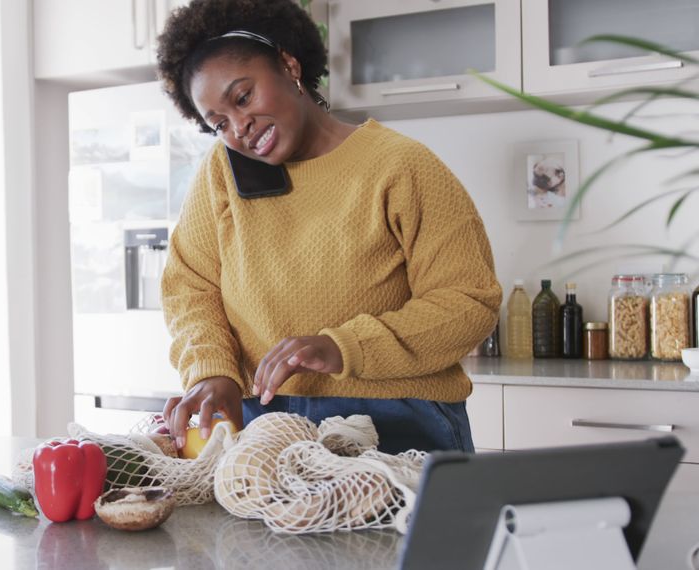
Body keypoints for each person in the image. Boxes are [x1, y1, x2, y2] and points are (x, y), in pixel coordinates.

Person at [155, 0, 502, 455]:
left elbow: (469, 301)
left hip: (399, 417)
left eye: (243, 97)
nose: (239, 127)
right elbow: (189, 286)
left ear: (289, 64)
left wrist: (343, 347)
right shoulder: (223, 173)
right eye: (219, 123)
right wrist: (212, 369)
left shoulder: (399, 165)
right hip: (267, 422)